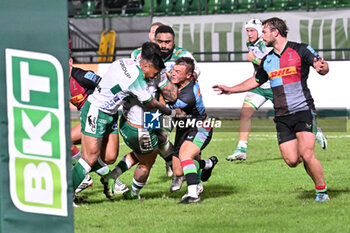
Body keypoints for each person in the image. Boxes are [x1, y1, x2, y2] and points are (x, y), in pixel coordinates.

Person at [213, 17, 329, 202]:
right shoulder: (267, 60)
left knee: (307, 154)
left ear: (276, 32)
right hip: (282, 115)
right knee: (292, 161)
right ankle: (312, 136)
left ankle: (321, 192)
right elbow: (255, 81)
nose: (262, 35)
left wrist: (323, 68)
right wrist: (231, 89)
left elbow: (321, 66)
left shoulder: (300, 49)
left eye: (265, 31)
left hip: (302, 110)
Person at [72, 42, 173, 194]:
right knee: (89, 157)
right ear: (146, 65)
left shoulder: (122, 61)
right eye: (155, 72)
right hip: (96, 110)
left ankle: (109, 177)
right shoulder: (137, 80)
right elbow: (150, 103)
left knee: (110, 156)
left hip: (111, 114)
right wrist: (167, 110)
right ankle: (68, 193)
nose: (154, 76)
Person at [226, 18, 328, 162]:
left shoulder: (268, 43)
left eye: (252, 30)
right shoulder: (251, 43)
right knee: (245, 112)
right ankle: (241, 149)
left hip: (277, 85)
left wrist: (255, 60)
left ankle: (313, 129)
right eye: (247, 31)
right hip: (260, 85)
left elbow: (275, 63)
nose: (249, 34)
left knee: (294, 112)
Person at [101, 42, 178, 199]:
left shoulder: (131, 61)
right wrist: (169, 82)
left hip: (129, 117)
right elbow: (171, 96)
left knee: (152, 146)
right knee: (147, 161)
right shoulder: (154, 71)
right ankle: (133, 194)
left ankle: (113, 175)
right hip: (140, 125)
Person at [169, 57, 218, 204]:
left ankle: (192, 195)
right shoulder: (185, 81)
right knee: (178, 171)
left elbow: (166, 103)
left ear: (188, 75)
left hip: (200, 127)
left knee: (185, 156)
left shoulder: (188, 95)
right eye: (173, 70)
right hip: (183, 129)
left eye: (178, 72)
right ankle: (208, 164)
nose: (173, 74)